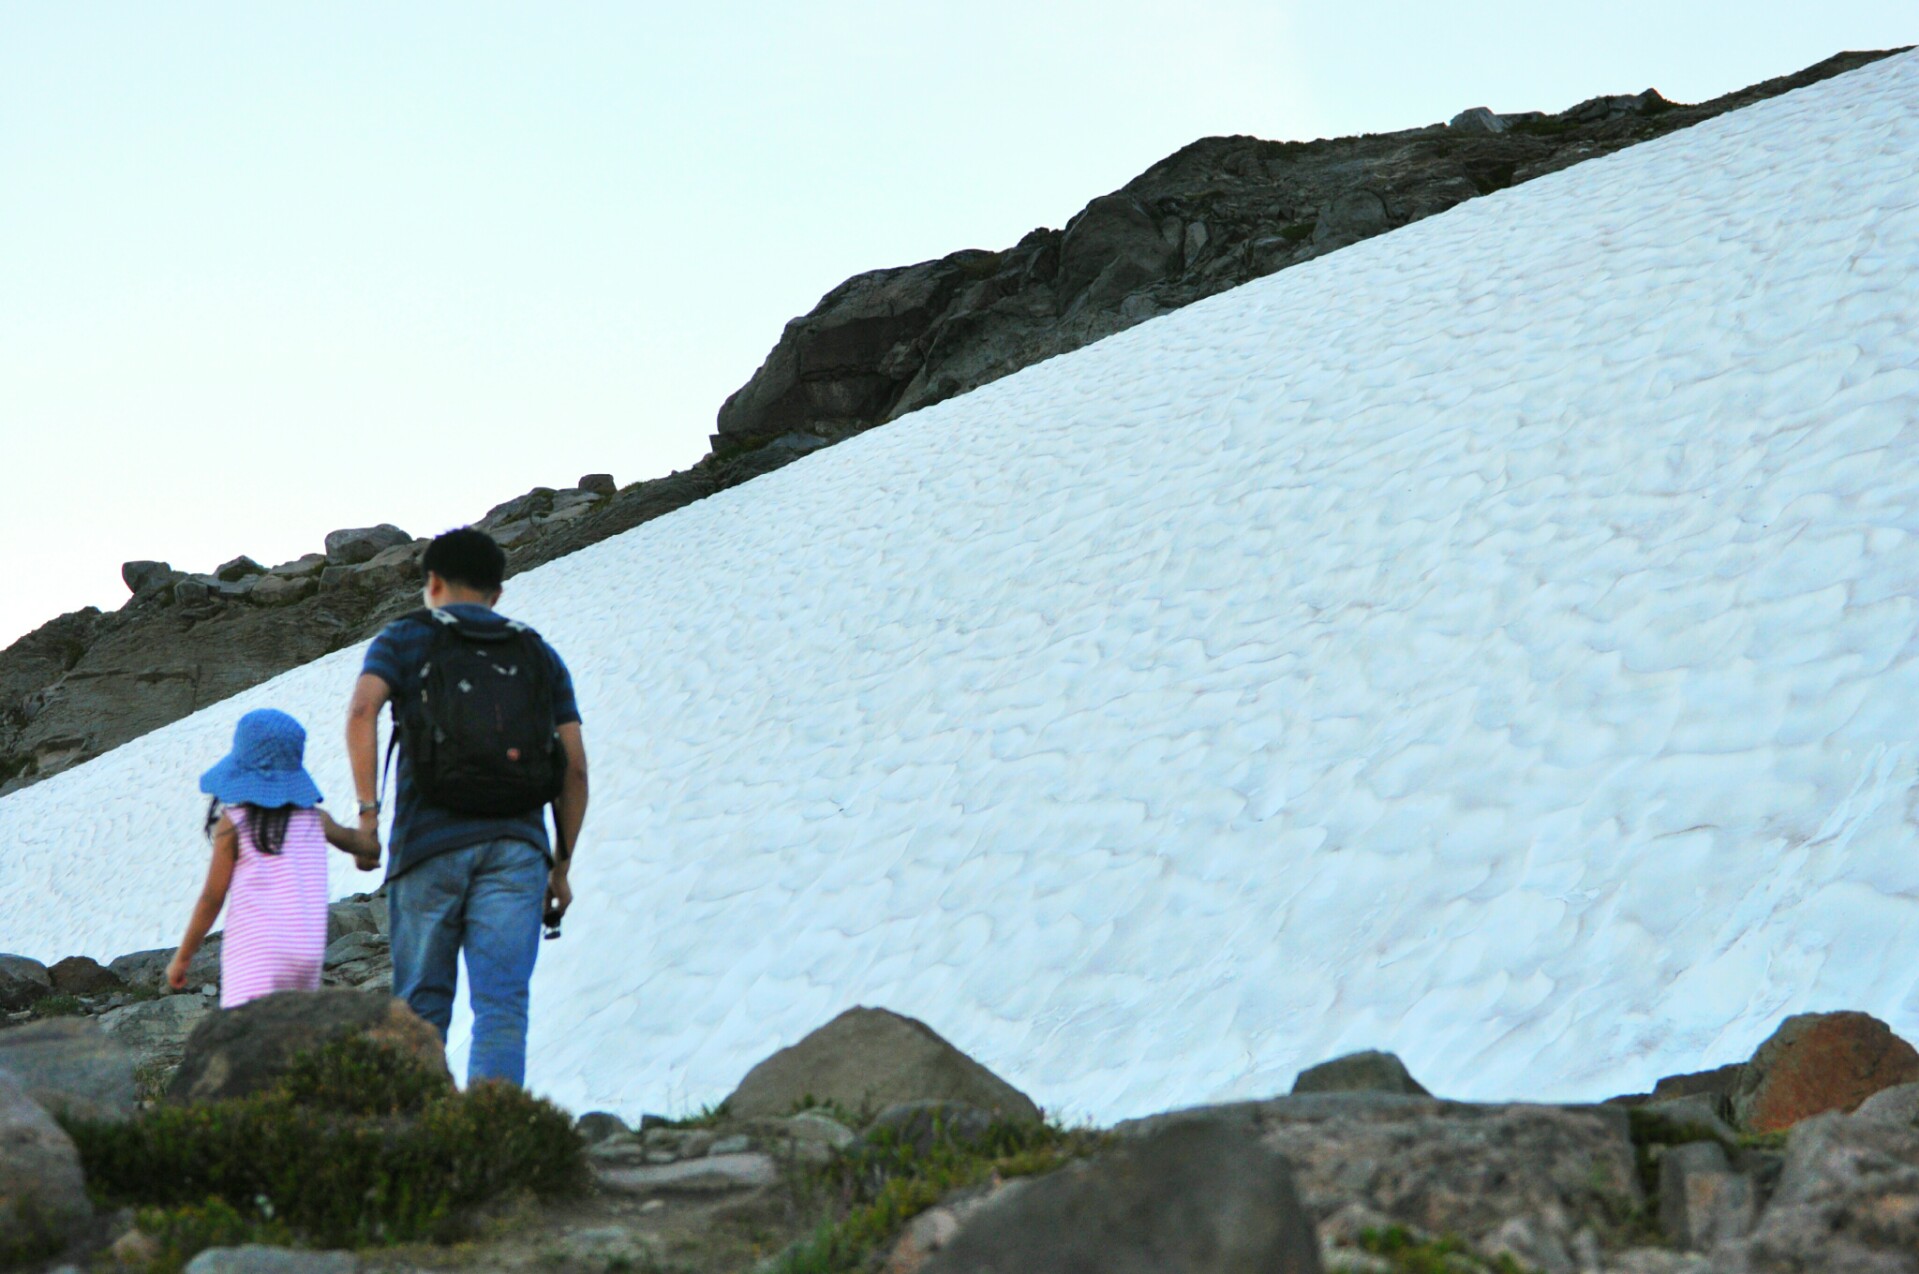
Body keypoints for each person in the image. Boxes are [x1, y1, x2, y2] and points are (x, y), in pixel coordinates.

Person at [346, 526, 588, 1087]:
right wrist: (561, 864)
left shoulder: (405, 638)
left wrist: (368, 816)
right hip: (516, 850)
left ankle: (424, 1144)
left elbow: (363, 714)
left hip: (427, 846)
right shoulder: (536, 652)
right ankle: (492, 1144)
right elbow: (574, 767)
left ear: (431, 582)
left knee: (420, 1010)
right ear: (497, 594)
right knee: (501, 1007)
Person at [170, 708, 381, 1005]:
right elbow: (366, 846)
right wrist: (368, 844)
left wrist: (183, 957)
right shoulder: (316, 820)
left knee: (249, 1036)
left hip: (256, 954)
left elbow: (212, 898)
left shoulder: (235, 823)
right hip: (305, 954)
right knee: (289, 1037)